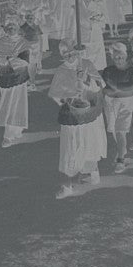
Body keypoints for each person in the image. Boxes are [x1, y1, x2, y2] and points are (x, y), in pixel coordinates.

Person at [53, 64, 107, 199]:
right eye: (65, 53)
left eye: (72, 52)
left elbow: (100, 88)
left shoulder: (87, 64)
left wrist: (86, 82)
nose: (69, 56)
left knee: (88, 144)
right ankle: (66, 185)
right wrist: (68, 93)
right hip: (70, 115)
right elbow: (56, 95)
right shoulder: (61, 70)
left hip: (88, 114)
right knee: (68, 148)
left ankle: (93, 169)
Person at [99, 42, 133, 173]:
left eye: (121, 56)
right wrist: (119, 88)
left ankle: (121, 159)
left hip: (126, 103)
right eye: (116, 57)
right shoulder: (108, 70)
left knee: (120, 131)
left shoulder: (131, 70)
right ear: (112, 57)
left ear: (126, 56)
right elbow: (105, 89)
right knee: (113, 130)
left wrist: (114, 87)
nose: (119, 59)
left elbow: (131, 87)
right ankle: (121, 150)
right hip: (110, 104)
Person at [0, 22, 32, 147]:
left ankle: (9, 135)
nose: (11, 29)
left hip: (19, 77)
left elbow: (24, 61)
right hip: (4, 78)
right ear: (5, 30)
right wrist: (10, 58)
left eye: (14, 27)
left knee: (16, 104)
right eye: (8, 27)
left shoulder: (23, 43)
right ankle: (13, 130)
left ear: (18, 29)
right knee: (7, 104)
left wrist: (7, 59)